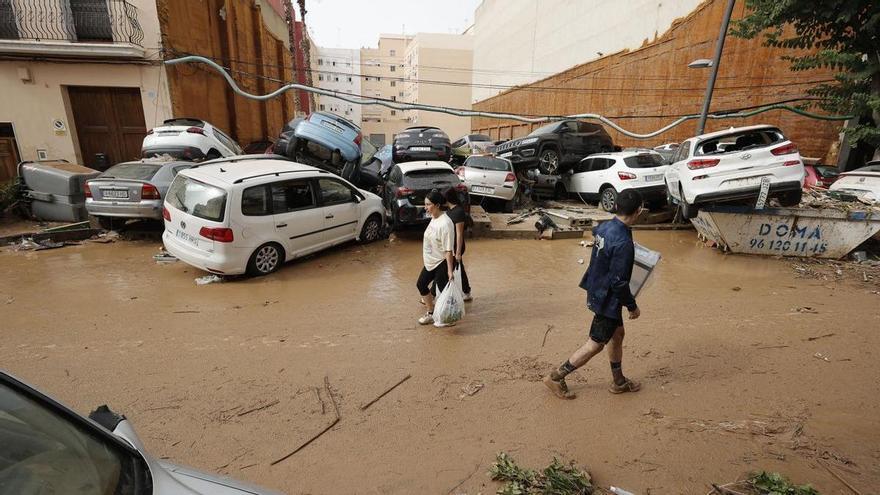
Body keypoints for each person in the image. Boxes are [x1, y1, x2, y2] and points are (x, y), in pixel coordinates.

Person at [543, 189, 644, 399]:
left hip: (596, 289)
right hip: (608, 299)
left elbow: (602, 247)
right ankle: (557, 376)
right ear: (639, 211)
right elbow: (619, 282)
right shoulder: (623, 242)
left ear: (615, 206)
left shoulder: (605, 227)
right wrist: (632, 306)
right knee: (594, 344)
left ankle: (618, 381)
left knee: (617, 335)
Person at [416, 190, 456, 325]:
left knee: (444, 291)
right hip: (430, 261)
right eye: (425, 204)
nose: (425, 207)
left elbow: (448, 250)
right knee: (421, 284)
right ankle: (431, 312)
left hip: (442, 262)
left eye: (428, 204)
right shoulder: (434, 217)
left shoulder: (446, 223)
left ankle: (449, 317)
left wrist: (450, 271)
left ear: (437, 205)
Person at [444, 188, 472, 302]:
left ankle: (433, 293)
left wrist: (458, 252)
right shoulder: (449, 211)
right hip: (449, 245)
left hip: (456, 246)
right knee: (457, 268)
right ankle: (466, 291)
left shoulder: (458, 212)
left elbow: (460, 234)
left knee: (448, 267)